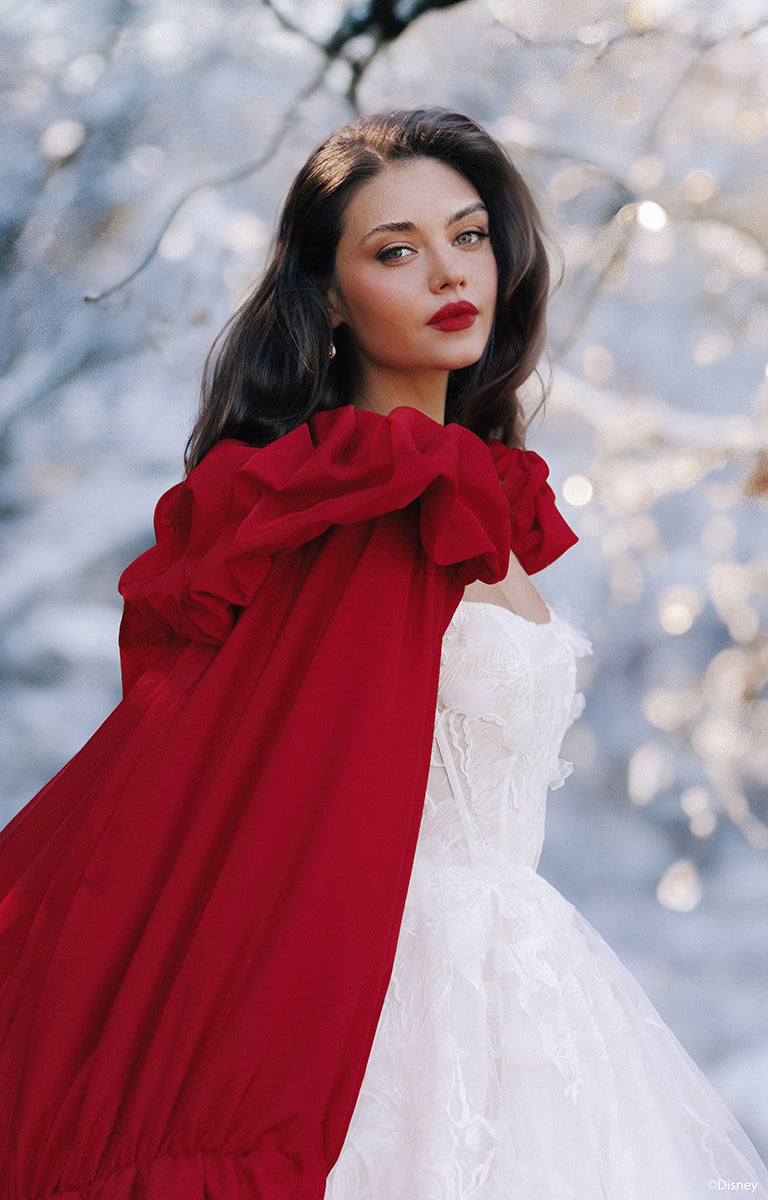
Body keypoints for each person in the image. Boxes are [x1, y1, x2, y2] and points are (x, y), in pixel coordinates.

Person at [0, 106, 764, 1200]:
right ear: (326, 297)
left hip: (527, 994)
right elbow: (244, 784)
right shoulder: (354, 498)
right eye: (395, 251)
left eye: (468, 236)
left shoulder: (472, 494)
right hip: (367, 991)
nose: (449, 273)